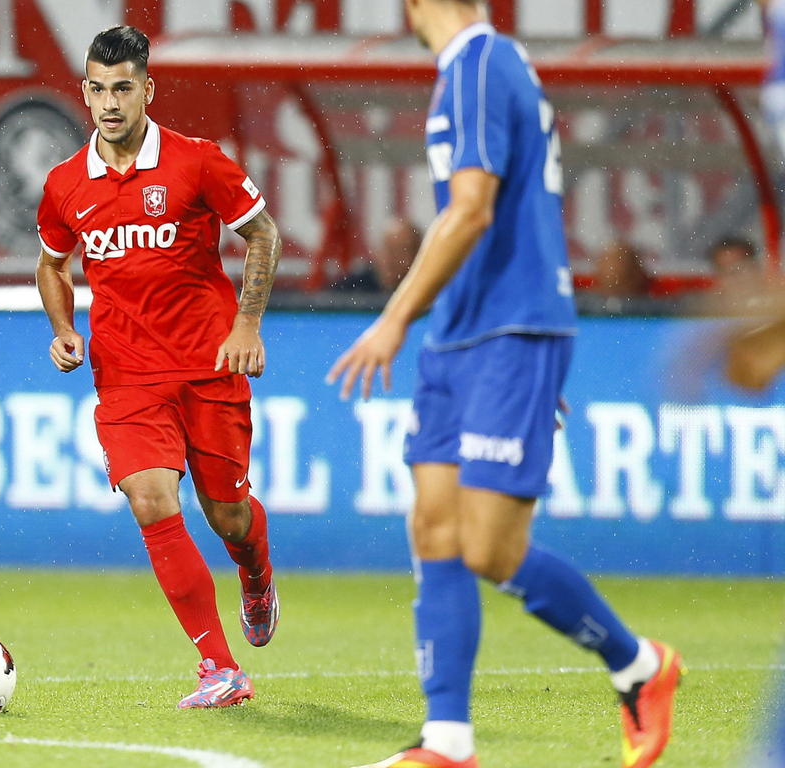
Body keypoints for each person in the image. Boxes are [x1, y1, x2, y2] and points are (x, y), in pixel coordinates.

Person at [327, 2, 682, 766]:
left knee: (490, 546)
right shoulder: (471, 68)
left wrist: (394, 319)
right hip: (467, 332)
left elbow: (472, 210)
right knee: (434, 528)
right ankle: (448, 741)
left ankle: (639, 666)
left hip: (509, 330)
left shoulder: (483, 62)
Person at [34, 25, 281, 709]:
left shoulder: (198, 162)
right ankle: (219, 668)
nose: (109, 103)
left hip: (208, 365)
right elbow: (52, 265)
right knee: (150, 498)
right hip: (127, 376)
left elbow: (262, 234)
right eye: (98, 88)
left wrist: (247, 323)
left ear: (148, 88)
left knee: (228, 515)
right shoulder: (64, 185)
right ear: (84, 92)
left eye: (122, 87)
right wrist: (63, 327)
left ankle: (255, 573)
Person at [331, 217, 422, 293]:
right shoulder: (353, 286)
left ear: (417, 256)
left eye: (401, 250)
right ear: (377, 252)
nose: (393, 258)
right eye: (389, 249)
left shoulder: (424, 290)